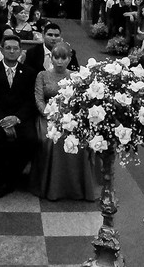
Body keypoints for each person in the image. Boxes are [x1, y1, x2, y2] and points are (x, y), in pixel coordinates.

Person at [32, 41, 99, 201]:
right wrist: (50, 114)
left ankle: (78, 187)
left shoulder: (75, 77)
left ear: (69, 59)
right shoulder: (42, 75)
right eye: (56, 58)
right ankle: (53, 187)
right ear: (51, 58)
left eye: (63, 58)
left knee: (81, 141)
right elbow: (39, 99)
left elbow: (80, 100)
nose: (60, 62)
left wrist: (70, 116)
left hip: (71, 118)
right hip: (47, 117)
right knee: (51, 141)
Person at [0, 34, 38, 199]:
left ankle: (6, 178)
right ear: (1, 49)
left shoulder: (29, 72)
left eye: (15, 48)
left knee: (31, 140)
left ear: (21, 51)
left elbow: (30, 101)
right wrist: (3, 121)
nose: (12, 51)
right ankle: (6, 177)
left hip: (21, 118)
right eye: (8, 48)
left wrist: (16, 119)